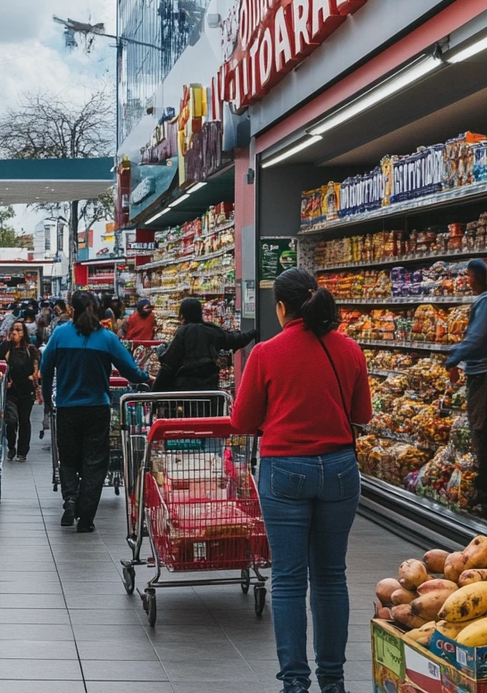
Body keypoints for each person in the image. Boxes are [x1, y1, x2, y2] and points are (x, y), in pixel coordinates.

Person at [232, 268, 371, 693]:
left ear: (281, 307)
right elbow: (362, 415)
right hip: (341, 471)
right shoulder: (349, 349)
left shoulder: (267, 353)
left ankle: (295, 682)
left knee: (289, 579)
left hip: (286, 470)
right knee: (331, 576)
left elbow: (242, 420)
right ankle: (334, 680)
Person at [40, 291, 149, 532]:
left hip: (67, 408)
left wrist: (48, 400)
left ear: (72, 310)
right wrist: (147, 378)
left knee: (68, 458)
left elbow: (45, 370)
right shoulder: (107, 338)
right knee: (95, 462)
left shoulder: (60, 334)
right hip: (97, 408)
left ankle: (70, 498)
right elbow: (130, 372)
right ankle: (86, 517)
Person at [445, 258, 487, 506]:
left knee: (481, 433)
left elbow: (477, 338)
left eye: (467, 275)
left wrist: (453, 358)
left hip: (484, 378)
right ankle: (484, 488)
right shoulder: (484, 301)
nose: (465, 280)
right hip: (477, 375)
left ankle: (485, 492)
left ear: (476, 276)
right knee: (479, 432)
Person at [155, 297, 256, 391]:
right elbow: (234, 340)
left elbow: (170, 360)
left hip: (185, 387)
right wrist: (254, 332)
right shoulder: (211, 330)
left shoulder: (183, 332)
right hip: (208, 386)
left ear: (183, 314)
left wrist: (161, 351)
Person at [0, 321, 40, 462]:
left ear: (24, 333)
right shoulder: (5, 348)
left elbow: (37, 369)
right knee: (12, 420)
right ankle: (11, 446)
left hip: (27, 391)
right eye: (13, 329)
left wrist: (35, 380)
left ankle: (22, 451)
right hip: (11, 391)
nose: (15, 332)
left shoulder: (31, 349)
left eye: (19, 330)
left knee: (24, 421)